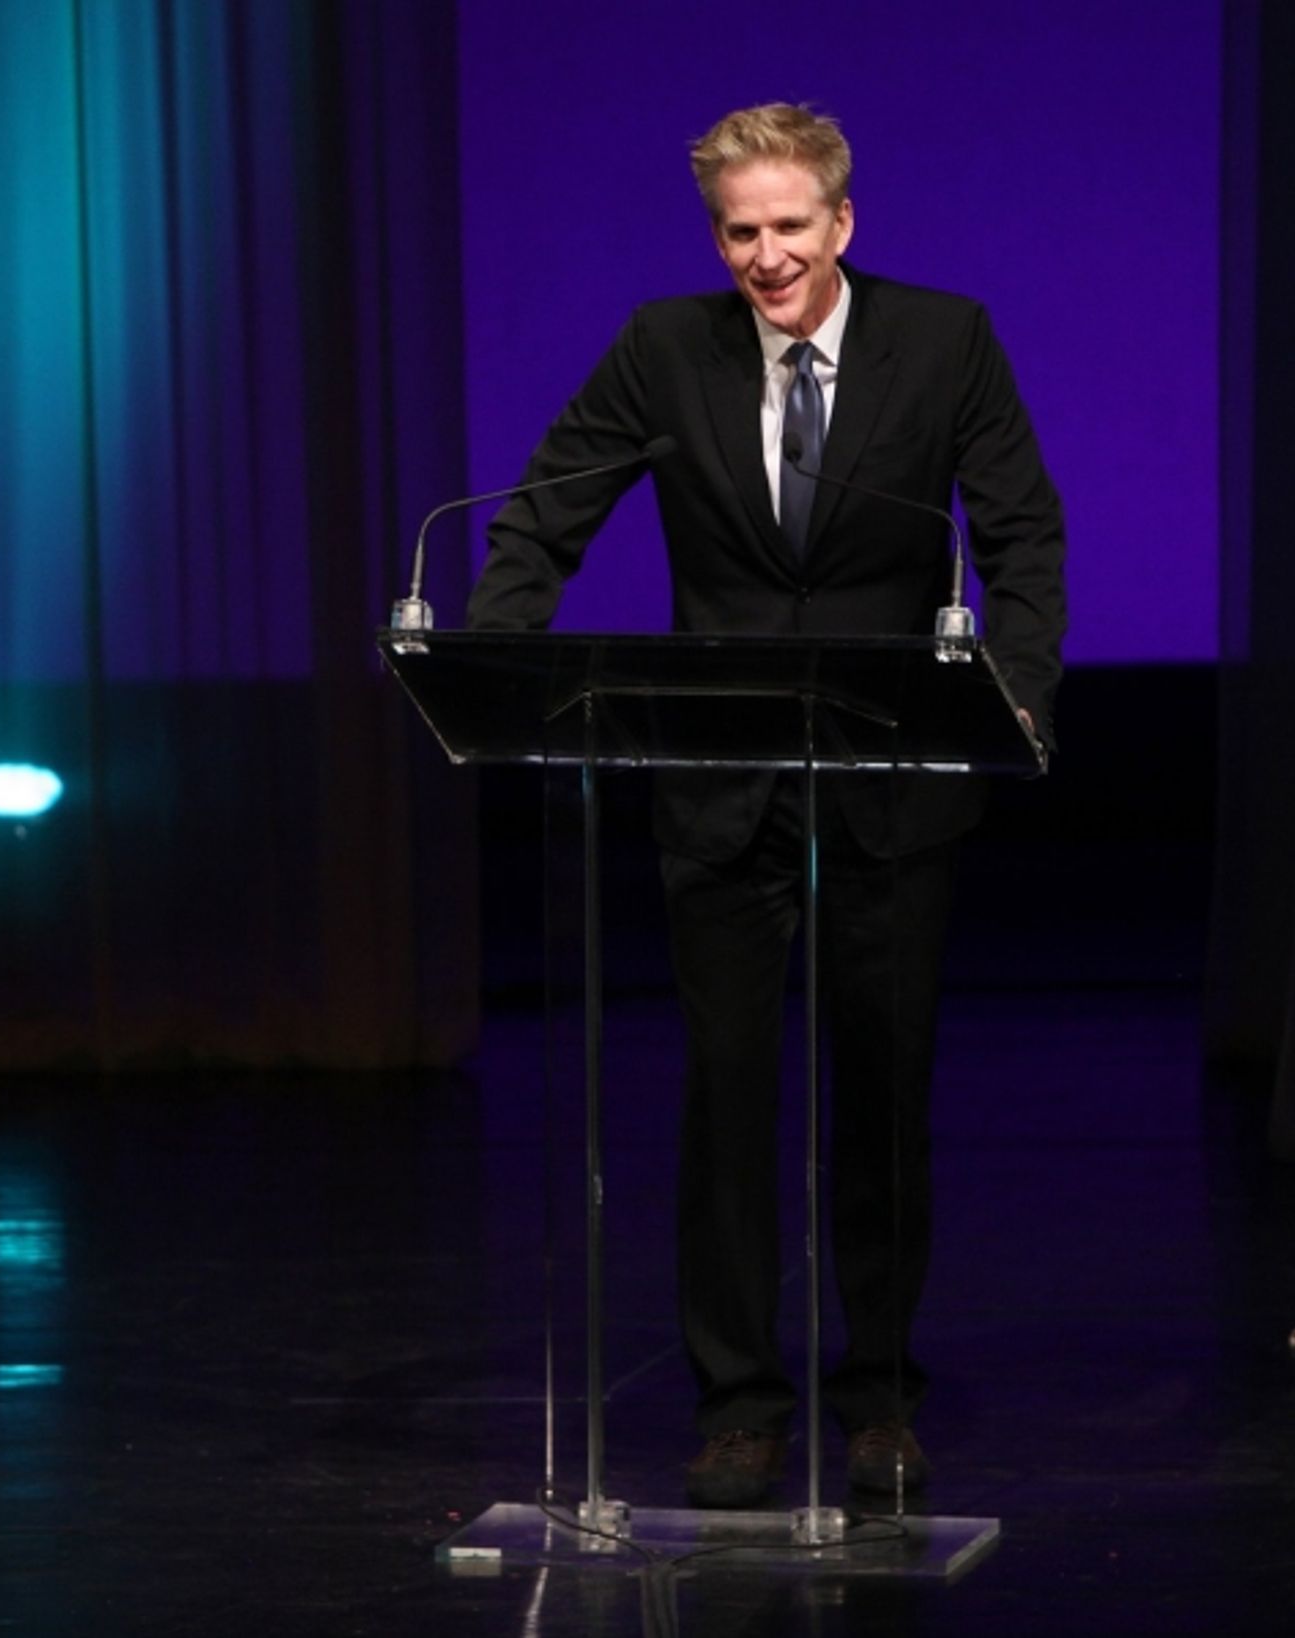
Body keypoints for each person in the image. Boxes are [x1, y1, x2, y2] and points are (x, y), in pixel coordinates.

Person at [467, 102, 1065, 1506]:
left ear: (842, 222)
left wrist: (1021, 697)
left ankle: (880, 1400)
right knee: (727, 1104)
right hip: (721, 789)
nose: (767, 257)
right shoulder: (664, 347)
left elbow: (1023, 535)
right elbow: (549, 506)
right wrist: (497, 656)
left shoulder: (947, 341)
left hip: (891, 783)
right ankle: (737, 1405)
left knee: (882, 1102)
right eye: (741, 232)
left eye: (791, 226)